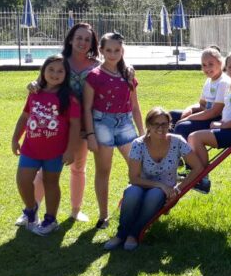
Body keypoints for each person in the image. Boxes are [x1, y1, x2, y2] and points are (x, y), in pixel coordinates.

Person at [23, 23, 100, 224]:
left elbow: (115, 68)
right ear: (70, 39)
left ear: (92, 43)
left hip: (82, 123)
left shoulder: (97, 65)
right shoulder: (62, 61)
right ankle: (32, 209)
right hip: (53, 123)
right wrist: (34, 84)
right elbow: (47, 78)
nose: (82, 42)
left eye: (87, 39)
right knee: (44, 169)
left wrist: (128, 68)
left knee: (78, 167)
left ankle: (75, 210)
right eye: (79, 37)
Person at [104, 107, 204, 251]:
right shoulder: (138, 144)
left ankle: (134, 233)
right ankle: (121, 234)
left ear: (169, 125)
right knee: (132, 192)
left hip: (164, 193)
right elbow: (133, 178)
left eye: (164, 124)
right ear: (148, 126)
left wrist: (178, 189)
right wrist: (160, 185)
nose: (160, 128)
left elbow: (198, 167)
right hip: (141, 185)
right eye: (155, 124)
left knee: (155, 194)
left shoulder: (177, 141)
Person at [11, 54, 81, 235]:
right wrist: (15, 138)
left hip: (55, 152)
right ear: (43, 71)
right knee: (23, 180)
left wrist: (71, 150)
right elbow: (25, 116)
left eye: (60, 71)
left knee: (51, 183)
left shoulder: (69, 98)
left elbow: (75, 126)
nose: (55, 74)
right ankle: (30, 210)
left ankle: (50, 219)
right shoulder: (35, 93)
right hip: (30, 149)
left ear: (66, 75)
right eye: (51, 69)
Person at [84, 32, 144, 229]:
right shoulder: (94, 76)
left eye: (116, 50)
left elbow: (135, 106)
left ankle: (137, 209)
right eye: (108, 50)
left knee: (137, 167)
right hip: (102, 124)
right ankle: (103, 215)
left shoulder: (128, 74)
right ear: (101, 51)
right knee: (104, 170)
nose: (112, 54)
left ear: (122, 51)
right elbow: (87, 108)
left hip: (126, 123)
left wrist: (142, 131)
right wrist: (90, 135)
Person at [170, 45, 230, 194]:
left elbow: (214, 111)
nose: (207, 68)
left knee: (183, 127)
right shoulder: (209, 81)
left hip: (216, 118)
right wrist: (189, 109)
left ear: (220, 63)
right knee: (170, 116)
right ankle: (172, 159)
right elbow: (202, 104)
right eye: (204, 65)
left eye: (211, 64)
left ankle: (194, 171)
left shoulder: (223, 82)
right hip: (207, 113)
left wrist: (188, 118)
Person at [187, 52, 231, 174]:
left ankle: (201, 177)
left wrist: (222, 125)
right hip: (230, 128)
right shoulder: (230, 86)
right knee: (193, 136)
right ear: (226, 69)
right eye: (230, 67)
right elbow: (230, 110)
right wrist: (220, 122)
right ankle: (197, 173)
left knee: (195, 137)